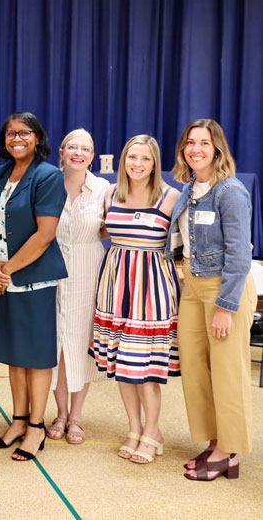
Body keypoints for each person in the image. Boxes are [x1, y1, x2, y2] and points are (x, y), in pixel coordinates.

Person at [166, 119, 255, 481]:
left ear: (217, 148)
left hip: (224, 290)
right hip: (194, 286)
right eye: (190, 143)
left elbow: (239, 254)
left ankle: (229, 452)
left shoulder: (229, 191)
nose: (196, 149)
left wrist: (226, 306)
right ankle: (215, 440)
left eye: (204, 143)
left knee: (228, 372)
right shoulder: (189, 189)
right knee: (197, 371)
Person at [91, 134, 180, 464]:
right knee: (124, 365)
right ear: (123, 160)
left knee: (146, 368)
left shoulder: (171, 197)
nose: (137, 164)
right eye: (132, 157)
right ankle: (134, 428)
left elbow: (187, 242)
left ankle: (152, 431)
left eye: (144, 158)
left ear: (155, 163)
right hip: (115, 286)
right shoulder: (111, 192)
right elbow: (101, 230)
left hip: (152, 290)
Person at [0, 112, 67, 462]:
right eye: (10, 133)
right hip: (4, 276)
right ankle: (17, 420)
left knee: (36, 355)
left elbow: (45, 234)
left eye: (24, 132)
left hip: (33, 279)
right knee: (16, 356)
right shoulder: (0, 173)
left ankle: (36, 427)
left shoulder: (48, 175)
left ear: (37, 138)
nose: (16, 138)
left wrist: (7, 270)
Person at [46, 129, 109, 445]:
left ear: (92, 155)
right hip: (52, 268)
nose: (79, 152)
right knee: (57, 342)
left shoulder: (103, 189)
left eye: (86, 148)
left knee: (82, 341)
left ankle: (76, 417)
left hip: (88, 269)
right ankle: (59, 413)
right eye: (73, 146)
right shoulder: (47, 182)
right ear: (61, 151)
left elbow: (114, 226)